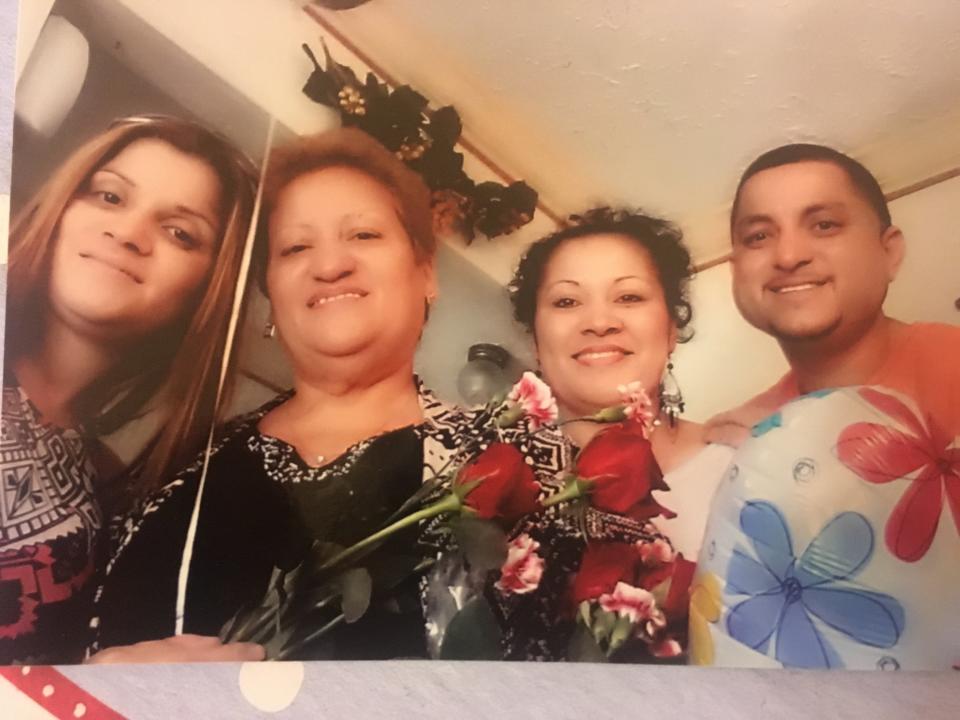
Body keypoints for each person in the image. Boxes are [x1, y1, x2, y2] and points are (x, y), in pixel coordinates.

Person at [91, 128, 529, 662]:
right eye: (296, 247)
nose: (329, 265)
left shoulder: (510, 465)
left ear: (425, 271)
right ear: (271, 297)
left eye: (363, 235)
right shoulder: (180, 461)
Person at [1, 116, 258, 664]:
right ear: (63, 205)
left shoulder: (115, 507)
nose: (127, 233)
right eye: (110, 196)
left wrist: (105, 678)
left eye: (179, 232)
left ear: (205, 293)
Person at [496, 207, 735, 660]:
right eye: (566, 301)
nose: (599, 321)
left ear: (671, 328)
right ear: (534, 340)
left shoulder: (739, 467)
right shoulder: (497, 491)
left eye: (628, 297)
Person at [706, 143, 960, 443]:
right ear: (736, 271)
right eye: (759, 236)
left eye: (824, 225)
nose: (788, 256)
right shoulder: (741, 437)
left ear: (889, 252)